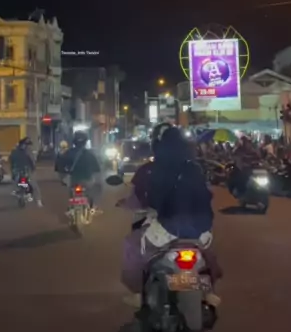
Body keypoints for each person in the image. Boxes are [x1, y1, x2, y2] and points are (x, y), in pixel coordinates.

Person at [121, 126, 221, 308]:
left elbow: (148, 199)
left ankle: (138, 293)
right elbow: (206, 196)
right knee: (209, 255)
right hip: (201, 230)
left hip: (168, 229)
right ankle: (210, 292)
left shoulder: (154, 170)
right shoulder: (194, 169)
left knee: (133, 246)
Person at [60, 131, 102, 212]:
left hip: (74, 180)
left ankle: (71, 207)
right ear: (85, 142)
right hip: (87, 180)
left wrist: (64, 174)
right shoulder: (90, 154)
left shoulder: (68, 153)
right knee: (97, 187)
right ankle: (93, 206)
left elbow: (61, 165)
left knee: (72, 192)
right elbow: (97, 168)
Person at [9, 137, 43, 206]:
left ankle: (36, 199)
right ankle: (38, 200)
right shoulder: (27, 152)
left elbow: (11, 162)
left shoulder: (14, 151)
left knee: (17, 183)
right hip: (25, 171)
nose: (27, 146)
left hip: (19, 171)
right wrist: (33, 168)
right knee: (33, 185)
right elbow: (32, 162)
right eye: (27, 145)